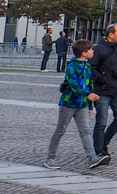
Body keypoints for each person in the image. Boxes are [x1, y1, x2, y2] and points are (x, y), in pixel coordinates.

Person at [44, 39, 103, 169]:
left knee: (85, 131)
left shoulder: (87, 66)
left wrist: (89, 105)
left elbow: (89, 86)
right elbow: (72, 84)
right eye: (90, 49)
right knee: (61, 130)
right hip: (68, 103)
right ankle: (50, 157)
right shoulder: (72, 66)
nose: (93, 51)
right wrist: (87, 95)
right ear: (84, 52)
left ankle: (91, 157)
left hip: (82, 104)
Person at [90, 24, 117, 164]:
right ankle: (99, 150)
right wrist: (104, 79)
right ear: (111, 34)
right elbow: (92, 68)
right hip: (102, 90)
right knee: (101, 121)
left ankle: (105, 140)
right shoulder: (98, 49)